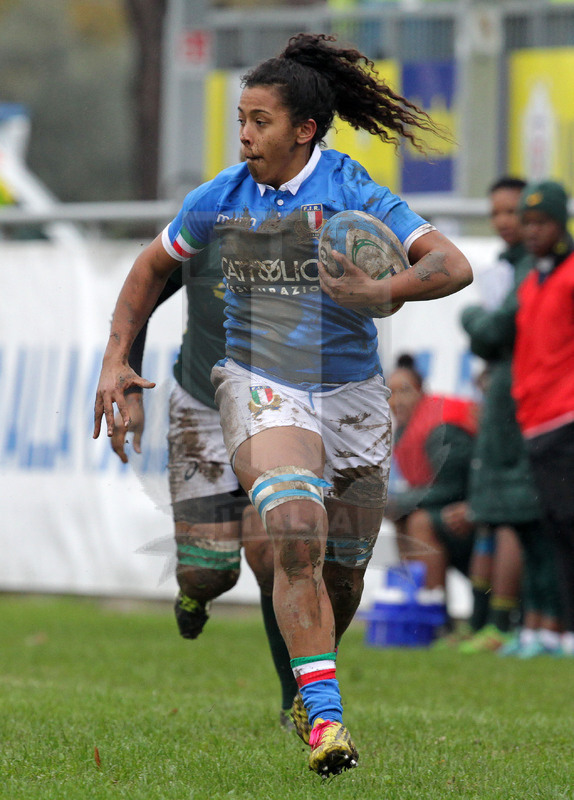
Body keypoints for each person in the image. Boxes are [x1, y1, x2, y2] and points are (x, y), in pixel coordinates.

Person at [93, 32, 472, 776]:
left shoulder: (354, 193)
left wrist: (382, 291)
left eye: (259, 121)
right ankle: (326, 724)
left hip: (355, 396)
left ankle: (308, 681)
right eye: (240, 118)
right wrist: (117, 360)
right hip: (258, 384)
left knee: (343, 572)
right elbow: (148, 269)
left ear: (304, 129)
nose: (243, 135)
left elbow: (451, 265)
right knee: (289, 528)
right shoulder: (220, 199)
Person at [109, 249, 298, 726]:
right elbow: (141, 296)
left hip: (275, 408)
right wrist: (128, 387)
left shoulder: (312, 223)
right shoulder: (205, 222)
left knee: (274, 555)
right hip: (201, 404)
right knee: (209, 573)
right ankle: (195, 593)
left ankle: (294, 700)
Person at [447, 176, 563, 657]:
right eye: (498, 213)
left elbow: (497, 329)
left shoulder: (536, 273)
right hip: (513, 398)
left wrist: (470, 318)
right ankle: (499, 623)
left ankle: (519, 623)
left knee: (524, 515)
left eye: (516, 214)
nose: (508, 224)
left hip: (533, 406)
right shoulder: (511, 268)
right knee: (504, 514)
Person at [513, 180, 574, 658]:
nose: (532, 231)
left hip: (566, 418)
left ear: (561, 224)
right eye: (527, 223)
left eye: (542, 222)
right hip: (535, 421)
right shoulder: (534, 277)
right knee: (554, 528)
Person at [385, 355, 478, 618]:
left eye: (405, 391)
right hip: (453, 509)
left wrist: (397, 503)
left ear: (421, 393)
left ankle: (434, 615)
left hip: (475, 511)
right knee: (404, 520)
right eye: (390, 393)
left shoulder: (442, 427)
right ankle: (416, 609)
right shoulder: (407, 429)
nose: (397, 400)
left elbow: (454, 488)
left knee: (419, 522)